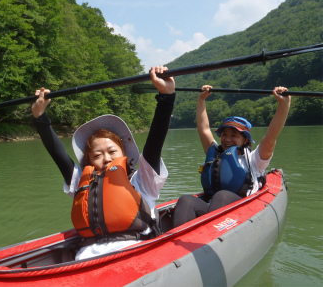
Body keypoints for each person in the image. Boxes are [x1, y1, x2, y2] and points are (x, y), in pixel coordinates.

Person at [31, 66, 175, 260]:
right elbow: (59, 155)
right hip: (86, 259)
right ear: (89, 160)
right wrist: (40, 117)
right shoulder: (82, 183)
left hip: (134, 255)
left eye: (112, 151)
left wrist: (166, 97)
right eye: (97, 155)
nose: (106, 158)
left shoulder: (142, 181)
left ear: (123, 153)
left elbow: (155, 142)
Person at [173, 85, 291, 228]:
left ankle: (210, 238)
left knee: (222, 196)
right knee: (186, 200)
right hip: (213, 210)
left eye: (234, 135)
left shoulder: (255, 160)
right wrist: (201, 99)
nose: (227, 139)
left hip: (240, 210)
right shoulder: (216, 153)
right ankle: (176, 242)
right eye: (224, 135)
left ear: (245, 140)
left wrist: (284, 104)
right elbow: (203, 128)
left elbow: (271, 135)